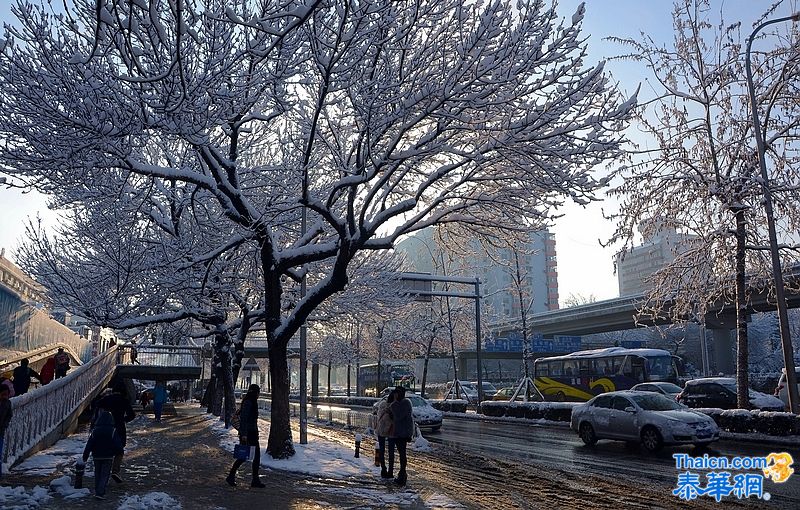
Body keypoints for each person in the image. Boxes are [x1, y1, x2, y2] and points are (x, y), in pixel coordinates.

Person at [93, 380, 135, 483]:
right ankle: (115, 470)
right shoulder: (124, 401)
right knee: (119, 450)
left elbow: (96, 404)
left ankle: (104, 471)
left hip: (105, 427)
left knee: (106, 448)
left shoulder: (106, 399)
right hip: (119, 428)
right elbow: (132, 415)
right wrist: (124, 420)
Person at [226, 384, 265, 488]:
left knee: (252, 456)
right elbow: (244, 419)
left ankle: (252, 479)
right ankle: (233, 476)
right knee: (245, 456)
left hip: (251, 433)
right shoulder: (249, 402)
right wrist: (244, 434)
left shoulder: (250, 401)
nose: (258, 394)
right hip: (248, 433)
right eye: (258, 392)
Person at [82, 410, 123, 500]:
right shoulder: (112, 431)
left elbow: (89, 444)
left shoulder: (95, 431)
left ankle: (97, 490)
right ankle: (100, 492)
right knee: (104, 474)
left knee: (97, 473)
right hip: (108, 456)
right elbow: (117, 443)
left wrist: (85, 456)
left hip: (96, 456)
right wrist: (119, 451)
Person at [388, 386, 414, 486]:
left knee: (402, 454)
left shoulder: (404, 403)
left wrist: (393, 402)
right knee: (401, 454)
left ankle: (402, 475)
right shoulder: (403, 403)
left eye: (396, 393)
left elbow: (397, 416)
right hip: (400, 433)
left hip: (402, 433)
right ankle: (402, 474)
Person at [375, 391, 395, 479]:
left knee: (383, 450)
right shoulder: (392, 407)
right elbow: (391, 419)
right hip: (389, 431)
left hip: (382, 430)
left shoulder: (382, 405)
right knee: (390, 451)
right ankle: (388, 470)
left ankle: (385, 469)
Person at [0, 384, 12, 477]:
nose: (5, 396)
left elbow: (9, 415)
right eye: (3, 394)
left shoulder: (7, 403)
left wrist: (5, 425)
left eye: (6, 394)